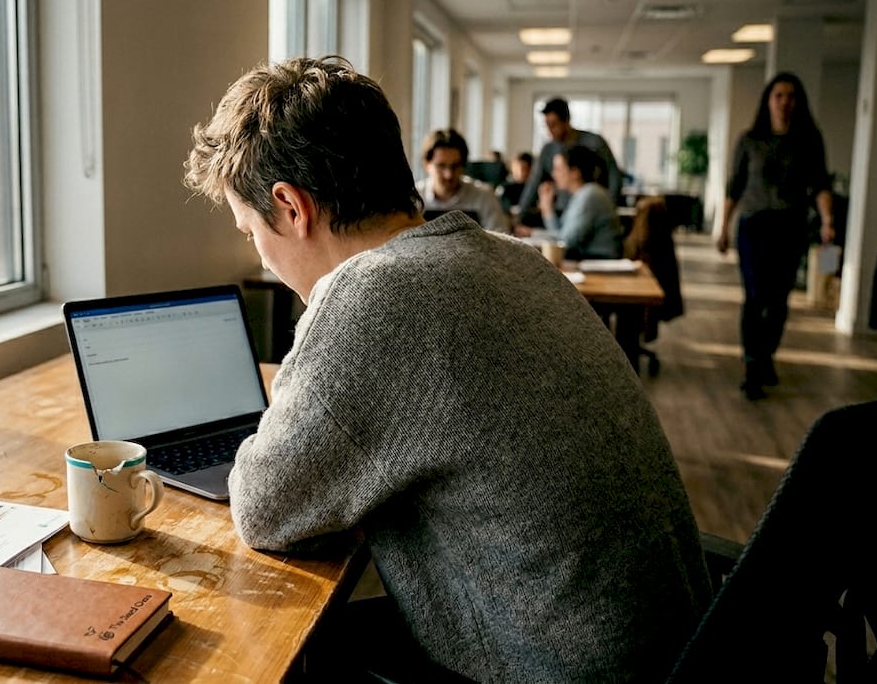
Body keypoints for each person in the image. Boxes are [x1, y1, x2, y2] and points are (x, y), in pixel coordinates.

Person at [184, 55, 710, 682]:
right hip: (673, 646)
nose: (264, 259)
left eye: (251, 232)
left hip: (557, 666)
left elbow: (264, 508)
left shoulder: (373, 297)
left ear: (291, 208)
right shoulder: (514, 258)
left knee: (262, 655)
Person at [717, 72, 835, 400]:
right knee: (755, 297)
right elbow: (734, 186)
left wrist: (827, 220)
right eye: (778, 95)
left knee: (779, 299)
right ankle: (753, 365)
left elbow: (821, 184)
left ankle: (767, 354)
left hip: (790, 226)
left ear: (798, 103)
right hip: (753, 226)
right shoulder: (750, 139)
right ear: (768, 100)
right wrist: (723, 227)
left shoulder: (809, 139)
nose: (785, 102)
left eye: (791, 96)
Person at [518, 97, 623, 225]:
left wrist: (609, 208)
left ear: (567, 121)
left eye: (554, 125)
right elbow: (533, 184)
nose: (550, 131)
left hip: (592, 211)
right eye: (547, 126)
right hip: (563, 211)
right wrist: (520, 217)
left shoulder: (595, 143)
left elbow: (614, 177)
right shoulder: (548, 149)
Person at [415, 128, 511, 232]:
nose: (449, 175)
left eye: (455, 166)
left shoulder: (484, 196)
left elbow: (500, 239)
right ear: (426, 164)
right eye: (441, 166)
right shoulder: (413, 199)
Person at [540, 145, 624, 260]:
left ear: (575, 172)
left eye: (558, 169)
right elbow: (563, 234)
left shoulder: (589, 195)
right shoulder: (583, 193)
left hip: (599, 262)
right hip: (591, 260)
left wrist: (548, 211)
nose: (554, 174)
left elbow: (565, 243)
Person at [500, 150, 535, 227]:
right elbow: (503, 205)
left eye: (524, 168)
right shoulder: (506, 187)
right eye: (517, 168)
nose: (519, 172)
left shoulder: (533, 189)